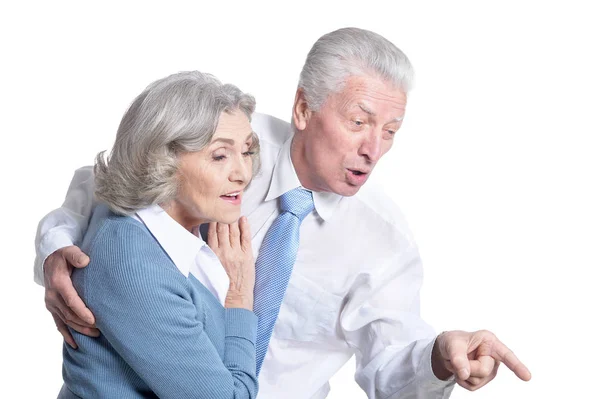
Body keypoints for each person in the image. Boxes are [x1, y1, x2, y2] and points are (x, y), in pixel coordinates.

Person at [35, 28, 531, 398]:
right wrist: (59, 252)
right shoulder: (230, 149)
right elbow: (116, 177)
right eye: (358, 121)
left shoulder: (385, 240)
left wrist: (440, 357)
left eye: (391, 130)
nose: (373, 148)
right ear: (302, 109)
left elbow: (391, 369)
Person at [55, 71, 261, 398]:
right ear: (161, 160)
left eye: (246, 151)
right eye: (220, 155)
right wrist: (238, 298)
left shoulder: (167, 221)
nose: (242, 174)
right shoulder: (136, 268)